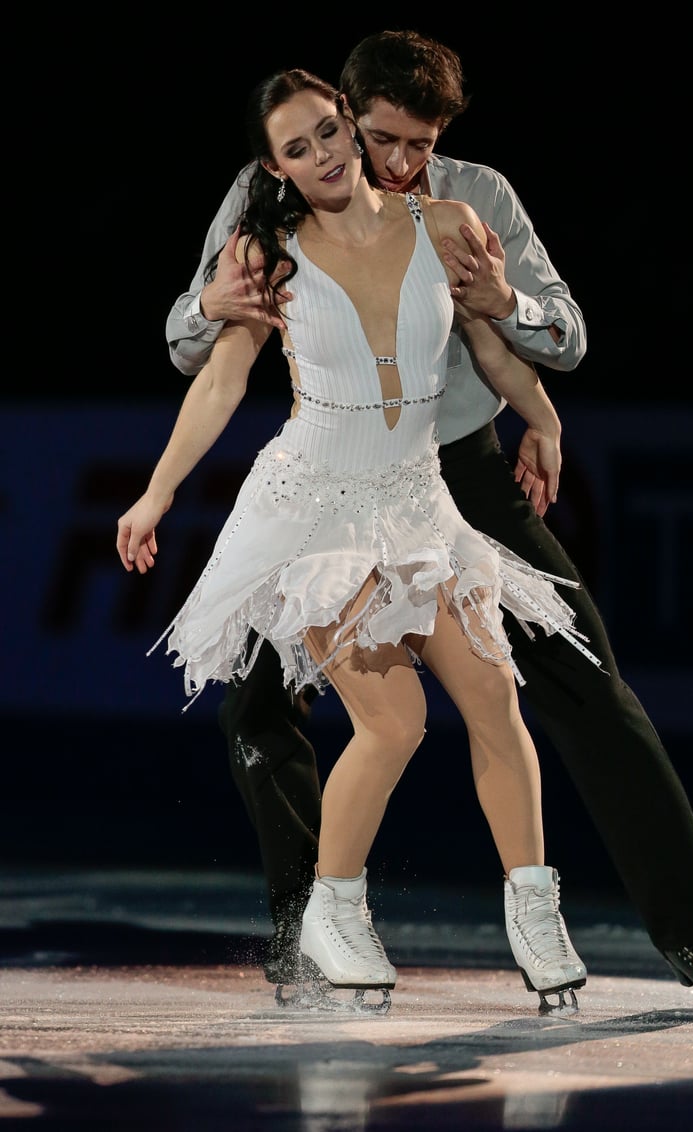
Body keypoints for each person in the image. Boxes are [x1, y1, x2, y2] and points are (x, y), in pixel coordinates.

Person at [164, 31, 693, 1006]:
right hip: (334, 484)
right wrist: (208, 301)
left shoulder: (473, 199)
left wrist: (507, 300)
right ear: (342, 115)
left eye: (420, 145)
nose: (399, 165)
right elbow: (196, 345)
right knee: (262, 702)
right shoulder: (269, 190)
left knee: (584, 680)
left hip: (459, 478)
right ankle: (308, 913)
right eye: (383, 139)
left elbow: (559, 334)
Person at [118, 67, 598, 1013]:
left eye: (332, 132)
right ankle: (333, 908)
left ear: (351, 123)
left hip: (418, 499)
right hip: (320, 510)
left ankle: (534, 911)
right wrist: (156, 492)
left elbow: (492, 345)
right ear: (277, 166)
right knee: (394, 723)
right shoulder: (271, 256)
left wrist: (541, 420)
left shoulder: (450, 226)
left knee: (496, 694)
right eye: (299, 149)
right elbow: (218, 384)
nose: (326, 155)